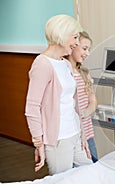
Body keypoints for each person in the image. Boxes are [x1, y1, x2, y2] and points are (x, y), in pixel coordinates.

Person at [25, 14, 93, 175]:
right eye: (75, 37)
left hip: (75, 133)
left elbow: (73, 104)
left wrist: (82, 134)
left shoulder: (65, 64)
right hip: (58, 139)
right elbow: (32, 107)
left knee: (90, 172)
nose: (77, 43)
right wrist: (38, 142)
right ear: (62, 34)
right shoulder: (42, 64)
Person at [66, 31, 99, 163]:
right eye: (84, 48)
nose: (87, 53)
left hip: (87, 132)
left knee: (93, 165)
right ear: (72, 46)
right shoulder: (64, 73)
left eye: (89, 49)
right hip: (72, 133)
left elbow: (93, 101)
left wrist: (85, 113)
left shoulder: (85, 74)